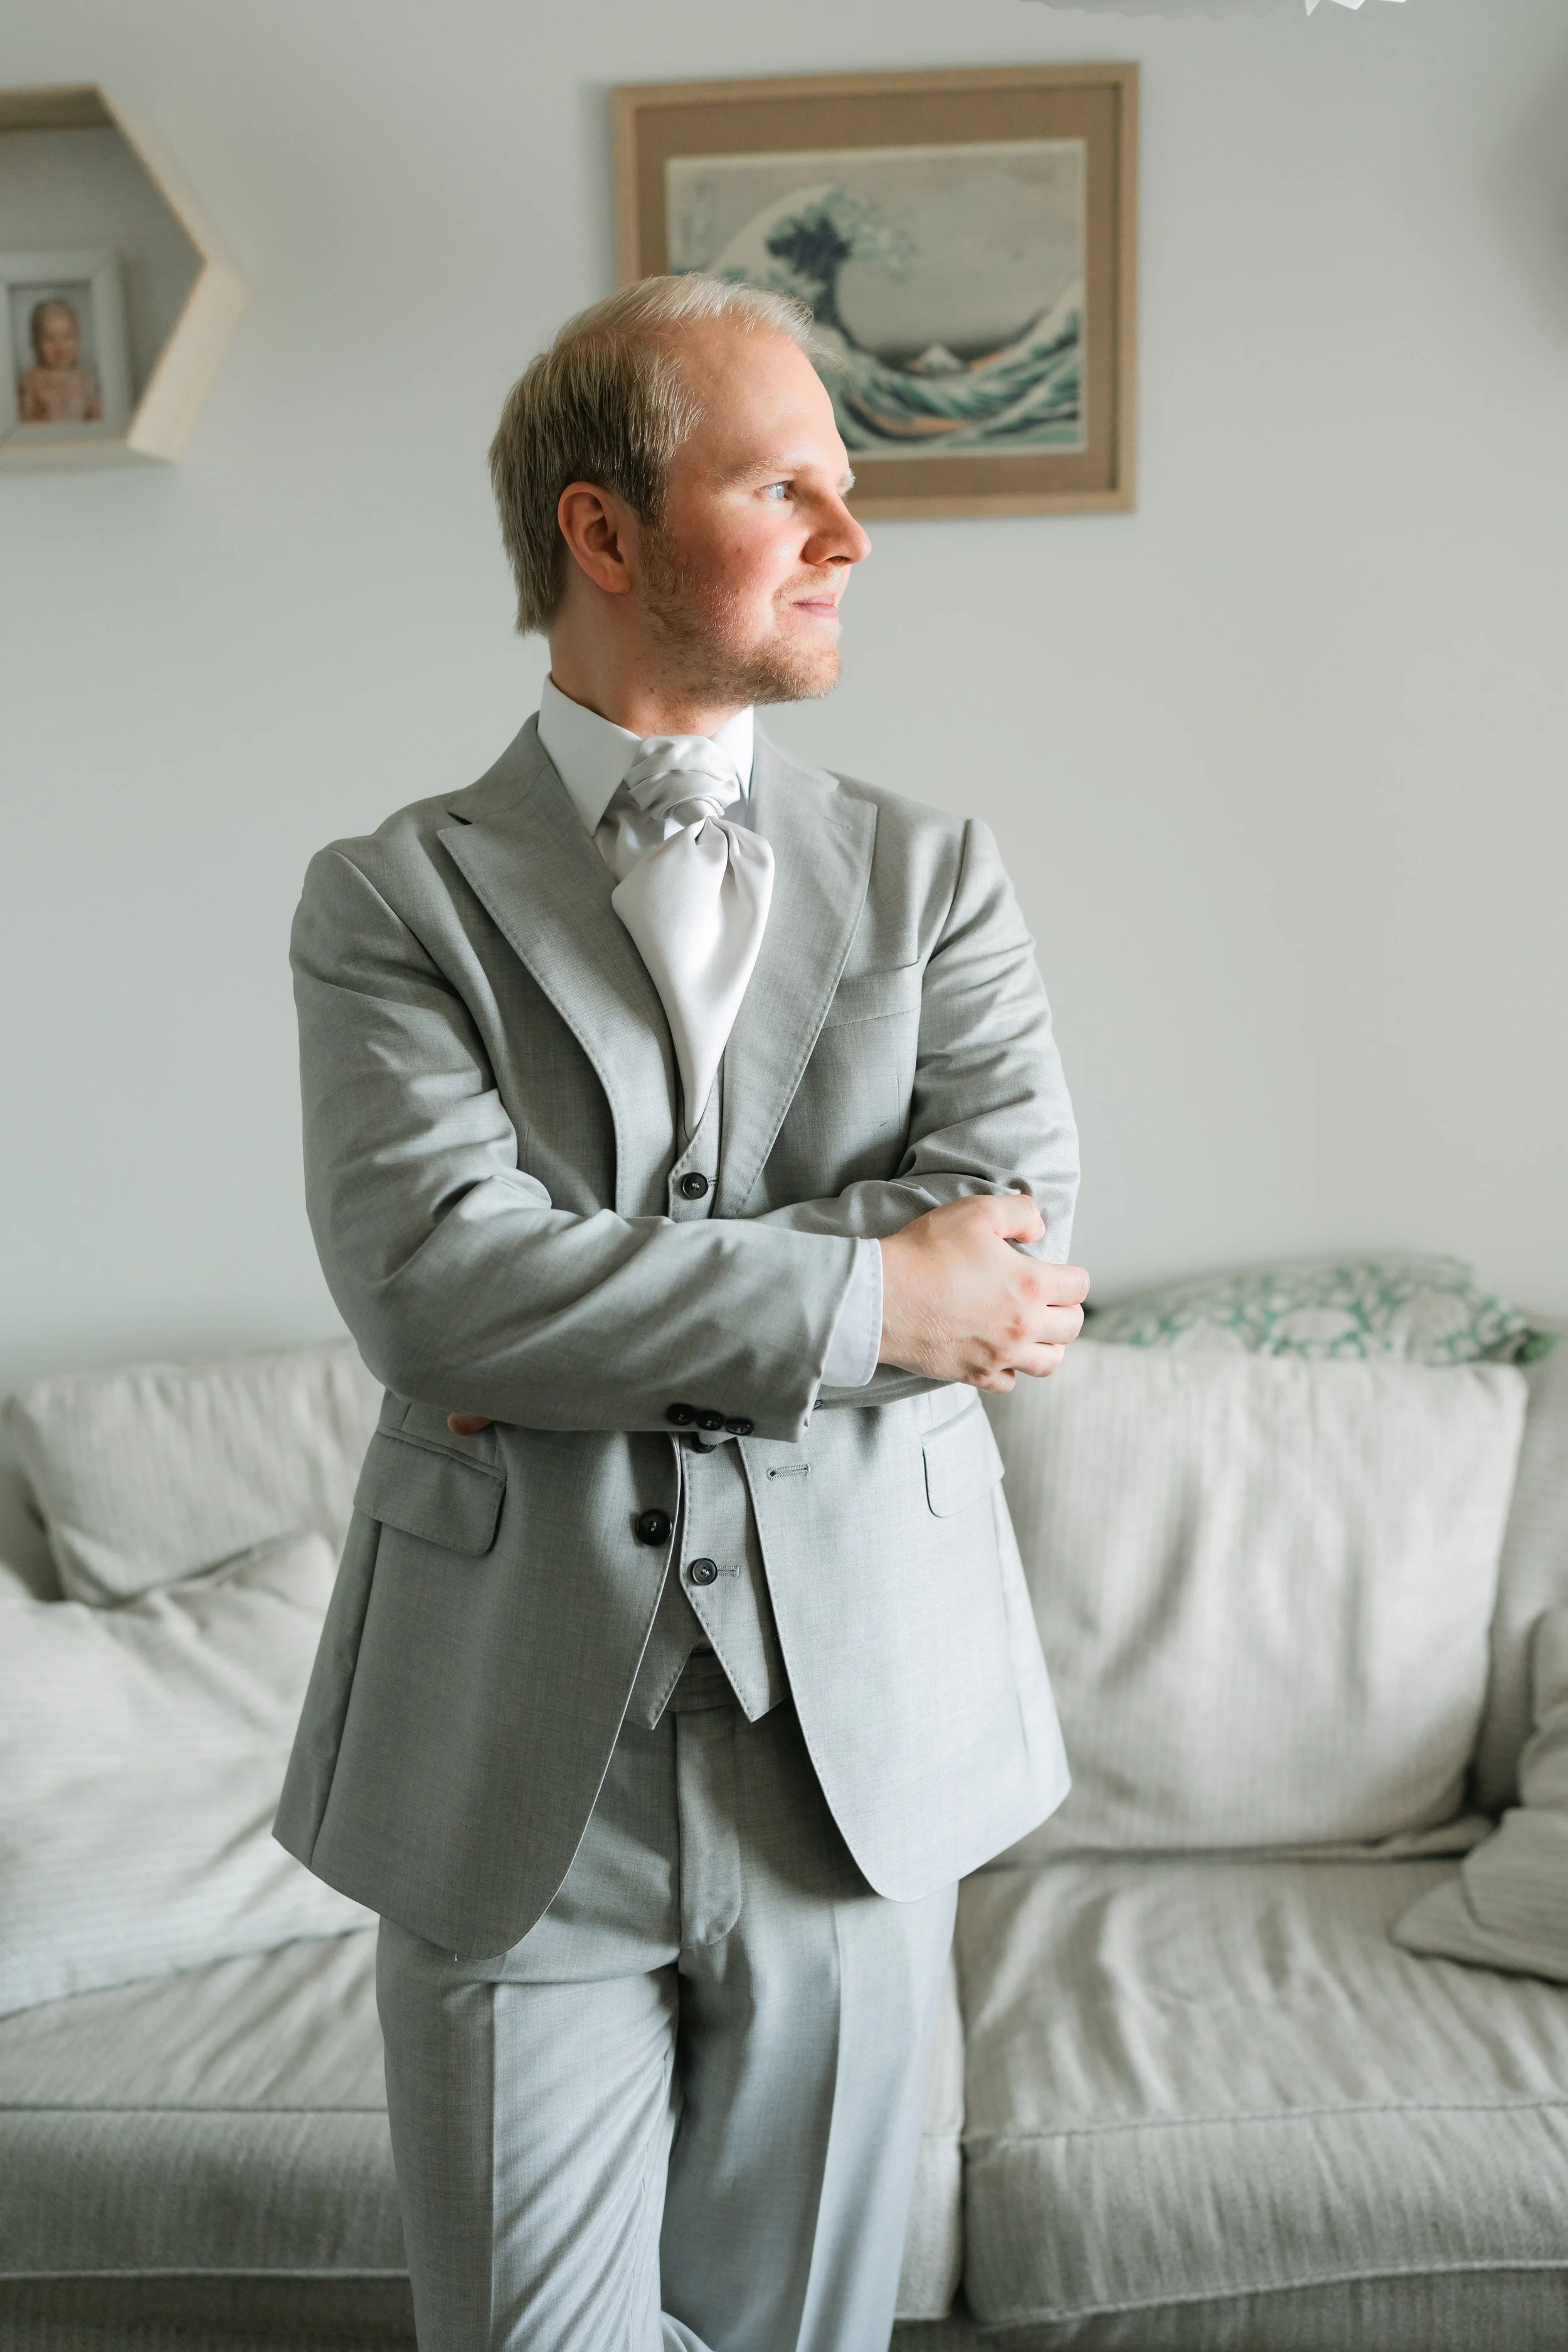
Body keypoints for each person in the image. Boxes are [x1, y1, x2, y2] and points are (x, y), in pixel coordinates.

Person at [276, 273, 1088, 2352]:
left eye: (844, 486)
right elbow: (439, 1286)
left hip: (860, 1750)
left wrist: (592, 1292)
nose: (851, 535)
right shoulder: (390, 899)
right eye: (782, 486)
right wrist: (872, 1293)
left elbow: (1016, 1231)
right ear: (604, 531)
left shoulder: (933, 875)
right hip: (508, 1755)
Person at [16, 297, 102, 424]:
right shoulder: (30, 381)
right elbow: (24, 422)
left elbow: (97, 418)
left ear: (78, 338)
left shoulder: (84, 379)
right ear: (36, 343)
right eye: (50, 338)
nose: (60, 347)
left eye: (67, 337)